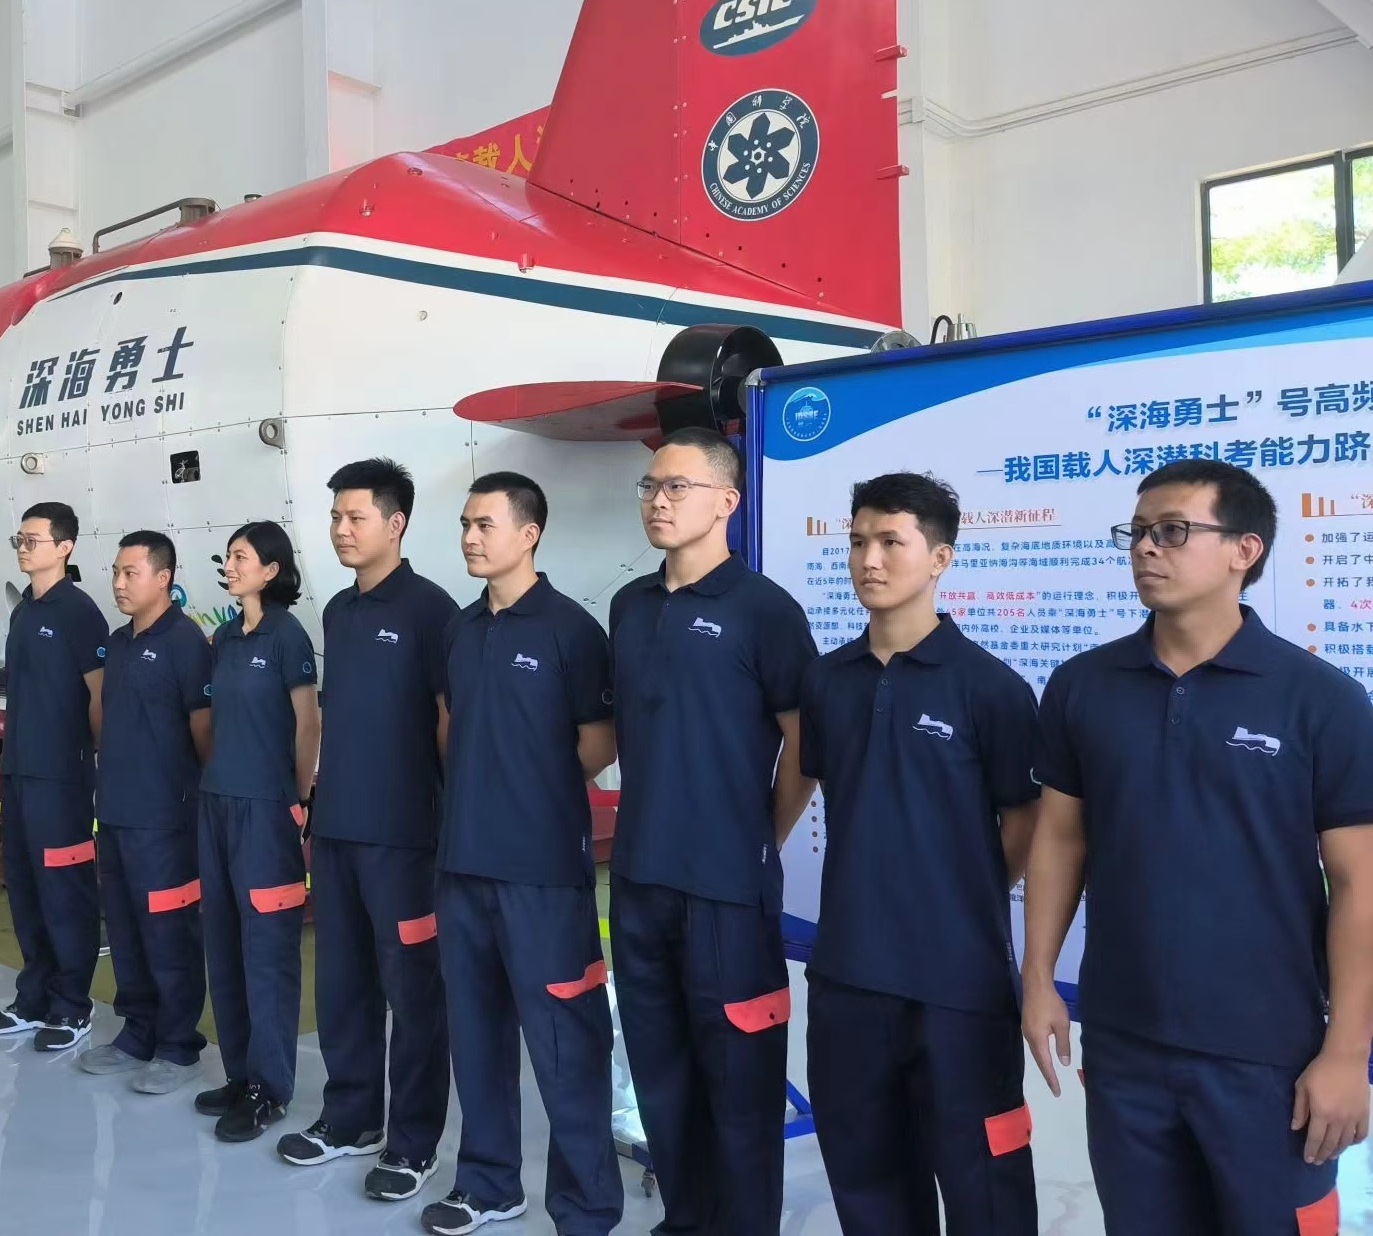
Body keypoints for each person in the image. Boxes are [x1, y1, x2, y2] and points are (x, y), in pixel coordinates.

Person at [1023, 459, 1373, 1234]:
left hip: (1268, 1052)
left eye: (1173, 531)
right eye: (1137, 533)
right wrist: (1038, 977)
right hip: (1123, 1042)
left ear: (1245, 550)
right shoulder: (1083, 686)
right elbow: (1060, 836)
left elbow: (1360, 884)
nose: (1146, 548)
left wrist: (1347, 1053)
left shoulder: (1321, 700)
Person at [798, 472, 1040, 1234]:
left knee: (985, 1188)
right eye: (858, 542)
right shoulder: (827, 682)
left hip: (958, 987)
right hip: (848, 978)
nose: (869, 560)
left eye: (890, 542)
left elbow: (1026, 821)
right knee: (868, 1183)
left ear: (939, 558)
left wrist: (961, 894)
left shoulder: (991, 689)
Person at [606, 429, 816, 1235]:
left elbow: (804, 747)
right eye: (650, 486)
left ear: (727, 501)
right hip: (638, 879)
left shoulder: (765, 610)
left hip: (726, 888)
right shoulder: (630, 606)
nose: (657, 500)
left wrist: (757, 835)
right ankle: (686, 1221)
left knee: (741, 1085)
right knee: (661, 1075)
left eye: (677, 487)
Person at [421, 472, 622, 1236]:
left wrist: (530, 792)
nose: (470, 538)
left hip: (542, 874)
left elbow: (598, 744)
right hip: (462, 868)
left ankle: (586, 1210)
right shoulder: (461, 630)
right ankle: (488, 1184)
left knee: (567, 1047)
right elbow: (451, 725)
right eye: (465, 525)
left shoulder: (572, 630)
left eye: (485, 525)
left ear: (529, 534)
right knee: (475, 1037)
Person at [278, 459, 456, 1203]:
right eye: (335, 517)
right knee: (343, 984)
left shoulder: (432, 611)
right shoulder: (340, 613)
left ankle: (413, 1142)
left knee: (414, 995)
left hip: (406, 837)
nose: (340, 530)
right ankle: (351, 1117)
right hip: (341, 830)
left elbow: (448, 723)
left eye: (355, 517)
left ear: (396, 522)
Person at [192, 520, 320, 1142]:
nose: (231, 565)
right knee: (223, 943)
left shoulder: (288, 635)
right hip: (216, 803)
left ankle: (270, 1088)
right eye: (228, 555)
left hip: (265, 811)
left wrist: (297, 797)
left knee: (267, 951)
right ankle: (240, 1074)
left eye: (241, 556)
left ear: (271, 570)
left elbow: (308, 724)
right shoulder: (223, 638)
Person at [75, 530, 214, 1095]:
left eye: (130, 573)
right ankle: (138, 1031)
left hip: (165, 817)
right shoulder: (118, 643)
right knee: (126, 927)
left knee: (168, 933)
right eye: (115, 571)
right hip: (115, 812)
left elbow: (204, 731)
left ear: (164, 578)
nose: (118, 583)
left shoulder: (186, 642)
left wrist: (187, 794)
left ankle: (178, 1045)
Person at [0, 501, 108, 1052]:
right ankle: (33, 998)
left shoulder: (79, 613)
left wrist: (89, 758)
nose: (24, 548)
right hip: (18, 770)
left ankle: (73, 1005)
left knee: (64, 891)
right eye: (20, 540)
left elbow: (100, 695)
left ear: (65, 547)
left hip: (61, 776)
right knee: (25, 885)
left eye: (34, 540)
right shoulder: (23, 612)